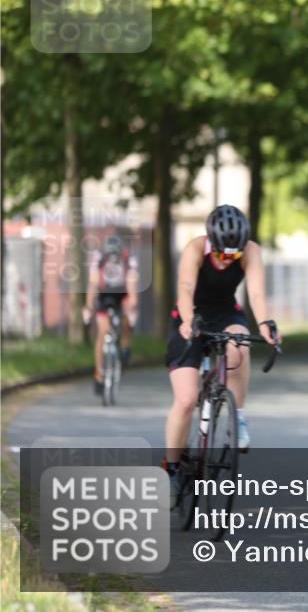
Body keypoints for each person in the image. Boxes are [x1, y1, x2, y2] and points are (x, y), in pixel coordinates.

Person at [162, 205, 280, 501]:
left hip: (226, 312)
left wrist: (266, 324)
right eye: (222, 254)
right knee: (187, 399)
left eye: (234, 254)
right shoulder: (195, 249)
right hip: (191, 316)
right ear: (211, 243)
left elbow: (256, 294)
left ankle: (237, 417)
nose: (228, 260)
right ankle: (171, 467)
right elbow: (186, 289)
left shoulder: (250, 251)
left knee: (240, 343)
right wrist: (189, 322)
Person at [83, 236, 138, 395]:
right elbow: (93, 284)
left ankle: (126, 345)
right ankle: (99, 374)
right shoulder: (99, 259)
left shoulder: (129, 259)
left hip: (122, 292)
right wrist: (88, 306)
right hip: (104, 293)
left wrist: (132, 306)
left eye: (116, 258)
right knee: (102, 331)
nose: (114, 261)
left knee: (130, 311)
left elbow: (132, 286)